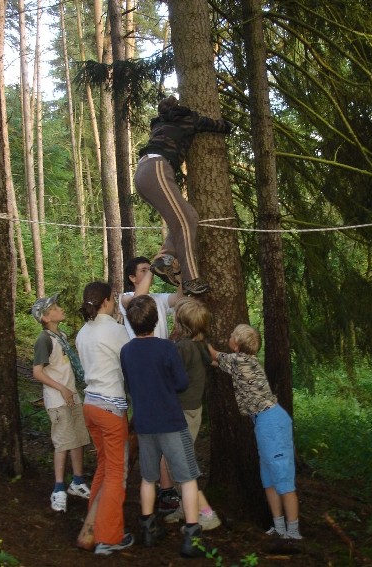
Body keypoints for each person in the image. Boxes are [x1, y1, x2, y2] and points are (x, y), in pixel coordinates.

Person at [120, 295, 207, 558]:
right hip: (170, 420)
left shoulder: (126, 350)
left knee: (148, 477)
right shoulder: (167, 348)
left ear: (132, 323)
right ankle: (192, 536)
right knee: (188, 477)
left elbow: (128, 385)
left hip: (144, 422)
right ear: (156, 320)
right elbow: (180, 383)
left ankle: (147, 529)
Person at [208, 324, 303, 540]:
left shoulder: (239, 360)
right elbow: (214, 362)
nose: (229, 337)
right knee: (268, 479)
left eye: (231, 335)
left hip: (272, 423)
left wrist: (196, 337)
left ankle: (294, 532)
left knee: (283, 478)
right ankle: (279, 528)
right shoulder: (243, 362)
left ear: (238, 343)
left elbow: (212, 354)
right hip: (263, 422)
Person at [134, 95, 232, 296]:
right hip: (157, 169)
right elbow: (216, 125)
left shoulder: (158, 124)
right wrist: (228, 124)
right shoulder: (188, 119)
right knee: (186, 220)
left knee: (189, 216)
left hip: (144, 172)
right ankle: (191, 280)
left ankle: (164, 259)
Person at [120, 255, 183, 514]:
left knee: (163, 431)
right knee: (152, 432)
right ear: (133, 277)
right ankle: (150, 485)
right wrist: (155, 268)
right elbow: (138, 298)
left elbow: (180, 297)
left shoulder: (158, 298)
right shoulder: (125, 298)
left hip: (164, 369)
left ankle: (166, 489)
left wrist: (178, 275)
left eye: (149, 269)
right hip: (142, 372)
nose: (149, 273)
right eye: (143, 271)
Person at [75, 282, 134, 556]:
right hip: (111, 408)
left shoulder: (82, 333)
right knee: (115, 473)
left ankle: (94, 526)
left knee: (103, 466)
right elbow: (129, 362)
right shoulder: (115, 330)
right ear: (108, 301)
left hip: (91, 406)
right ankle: (108, 537)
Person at [165, 297, 221, 531]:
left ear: (180, 323)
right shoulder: (199, 343)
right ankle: (186, 506)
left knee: (182, 464)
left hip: (182, 412)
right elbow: (213, 360)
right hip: (192, 410)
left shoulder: (183, 348)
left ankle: (207, 513)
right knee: (172, 462)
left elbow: (173, 378)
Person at [32, 294, 91, 513]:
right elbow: (37, 372)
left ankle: (77, 481)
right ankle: (58, 489)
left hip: (72, 396)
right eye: (55, 308)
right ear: (46, 317)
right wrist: (62, 388)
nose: (60, 309)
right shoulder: (44, 340)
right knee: (62, 443)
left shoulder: (61, 336)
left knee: (77, 439)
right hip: (58, 400)